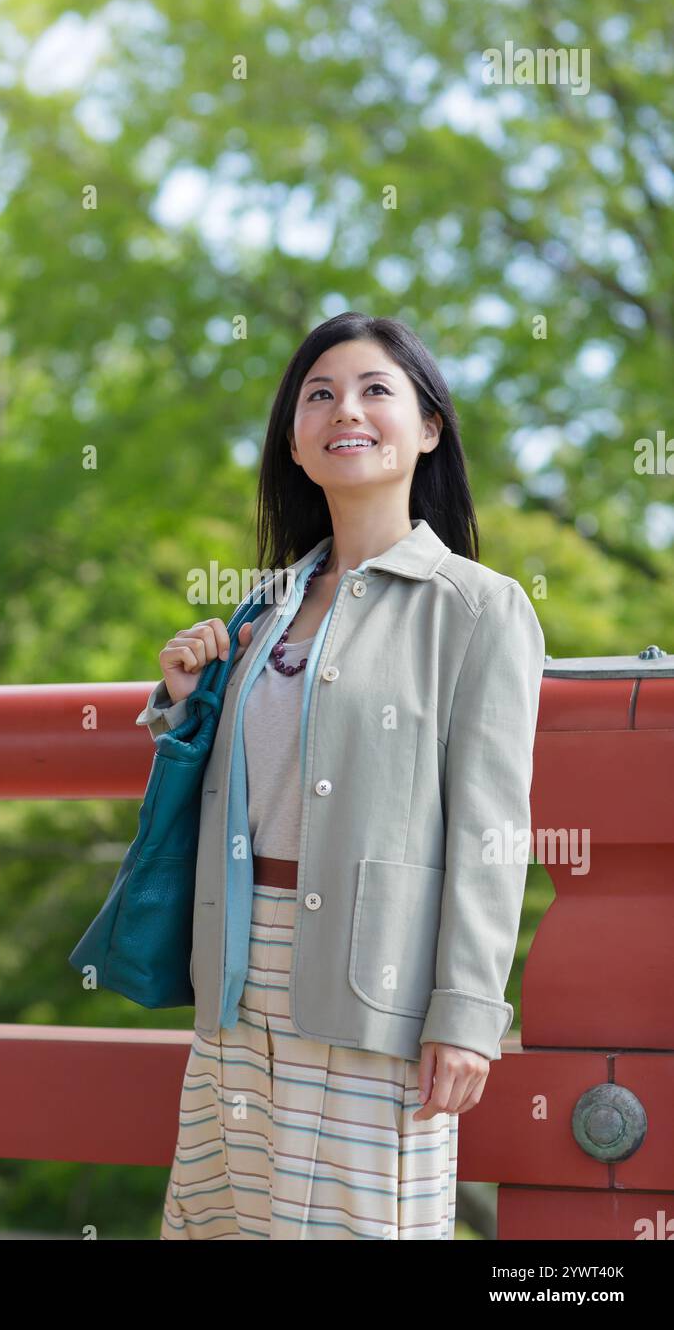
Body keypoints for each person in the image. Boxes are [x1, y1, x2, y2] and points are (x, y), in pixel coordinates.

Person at [135, 312, 546, 1239]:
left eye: (374, 391)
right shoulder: (264, 610)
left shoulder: (478, 609)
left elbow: (492, 829)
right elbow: (234, 785)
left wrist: (468, 1012)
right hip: (236, 975)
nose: (344, 411)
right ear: (294, 438)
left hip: (376, 984)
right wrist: (186, 698)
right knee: (225, 1222)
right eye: (318, 396)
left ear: (429, 427)